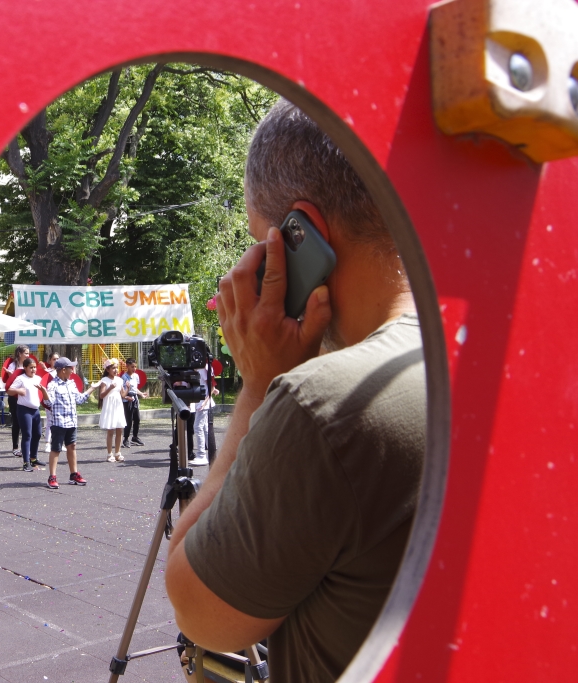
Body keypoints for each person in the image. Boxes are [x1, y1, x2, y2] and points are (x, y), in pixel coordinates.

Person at [165, 100, 424, 683]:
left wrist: (259, 384)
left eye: (260, 244)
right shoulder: (497, 355)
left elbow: (199, 610)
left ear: (301, 237)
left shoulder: (328, 404)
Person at [42, 357, 91, 489]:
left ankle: (74, 474)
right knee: (56, 449)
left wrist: (92, 388)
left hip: (71, 421)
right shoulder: (53, 385)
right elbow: (49, 403)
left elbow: (79, 399)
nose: (72, 370)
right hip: (59, 422)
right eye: (70, 368)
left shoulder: (71, 383)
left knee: (72, 446)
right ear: (63, 370)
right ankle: (52, 477)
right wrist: (44, 392)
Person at [7, 357, 49, 472]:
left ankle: (33, 458)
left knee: (38, 434)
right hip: (24, 410)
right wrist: (18, 391)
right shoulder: (21, 378)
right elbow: (9, 390)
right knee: (27, 435)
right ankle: (26, 462)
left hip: (35, 410)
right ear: (25, 368)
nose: (33, 369)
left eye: (35, 367)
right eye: (31, 367)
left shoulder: (38, 378)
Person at [1, 345, 31, 458]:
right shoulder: (13, 365)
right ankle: (15, 447)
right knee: (16, 422)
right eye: (26, 353)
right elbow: (9, 384)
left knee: (26, 423)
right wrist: (11, 375)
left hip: (25, 396)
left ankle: (25, 448)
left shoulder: (29, 365)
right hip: (14, 397)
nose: (28, 355)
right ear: (19, 354)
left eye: (28, 353)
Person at [96, 358, 128, 462]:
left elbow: (122, 395)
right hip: (110, 407)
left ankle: (118, 453)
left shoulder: (119, 380)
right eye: (113, 368)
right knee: (110, 430)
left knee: (120, 429)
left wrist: (128, 388)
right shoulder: (105, 380)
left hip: (118, 406)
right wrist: (110, 388)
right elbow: (101, 395)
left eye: (116, 368)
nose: (116, 370)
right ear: (107, 369)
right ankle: (109, 454)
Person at [120, 358, 148, 448]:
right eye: (132, 367)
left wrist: (141, 394)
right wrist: (126, 397)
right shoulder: (124, 377)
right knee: (129, 420)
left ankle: (135, 437)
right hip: (127, 400)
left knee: (137, 419)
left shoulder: (136, 376)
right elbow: (122, 391)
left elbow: (135, 389)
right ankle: (125, 439)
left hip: (135, 399)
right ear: (127, 366)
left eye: (135, 367)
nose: (134, 368)